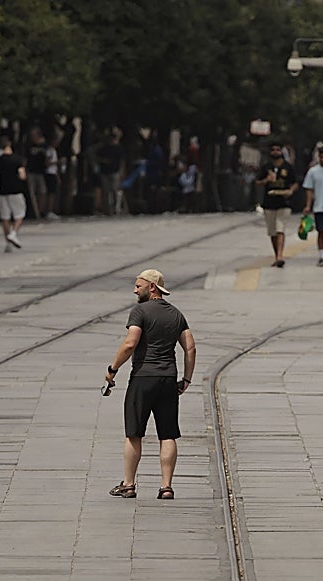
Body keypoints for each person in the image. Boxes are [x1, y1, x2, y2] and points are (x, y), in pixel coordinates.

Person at [104, 269, 196, 501]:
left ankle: (129, 484)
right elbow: (190, 347)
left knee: (134, 433)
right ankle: (166, 487)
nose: (135, 290)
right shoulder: (176, 314)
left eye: (138, 286)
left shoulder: (140, 311)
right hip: (168, 379)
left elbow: (130, 343)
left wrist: (112, 369)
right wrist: (186, 379)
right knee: (168, 434)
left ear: (152, 287)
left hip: (143, 378)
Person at [255, 142, 298, 268]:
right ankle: (276, 255)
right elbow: (257, 182)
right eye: (273, 150)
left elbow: (295, 183)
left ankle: (280, 255)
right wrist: (266, 180)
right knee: (272, 232)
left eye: (278, 150)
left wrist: (290, 191)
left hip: (284, 203)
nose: (275, 152)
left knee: (280, 230)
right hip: (269, 203)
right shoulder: (266, 167)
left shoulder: (288, 167)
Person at [0, 137, 27, 251]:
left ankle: (8, 243)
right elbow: (22, 175)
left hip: (3, 191)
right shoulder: (17, 160)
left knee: (5, 217)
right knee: (19, 214)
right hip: (16, 190)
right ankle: (14, 233)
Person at [96, 133, 124, 215]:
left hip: (114, 171)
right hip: (105, 172)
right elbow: (97, 157)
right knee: (106, 191)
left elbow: (122, 161)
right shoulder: (103, 148)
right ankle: (107, 209)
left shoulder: (119, 149)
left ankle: (115, 208)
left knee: (114, 190)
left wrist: (121, 171)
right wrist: (103, 161)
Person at [26, 127, 48, 220]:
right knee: (32, 192)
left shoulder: (44, 146)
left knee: (42, 192)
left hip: (41, 171)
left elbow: (47, 158)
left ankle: (41, 211)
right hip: (31, 171)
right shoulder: (29, 145)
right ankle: (34, 212)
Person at [43, 135, 62, 220]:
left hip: (53, 173)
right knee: (51, 193)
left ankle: (51, 210)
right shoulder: (49, 151)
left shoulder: (54, 151)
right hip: (49, 173)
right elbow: (47, 163)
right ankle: (49, 211)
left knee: (53, 193)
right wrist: (57, 162)